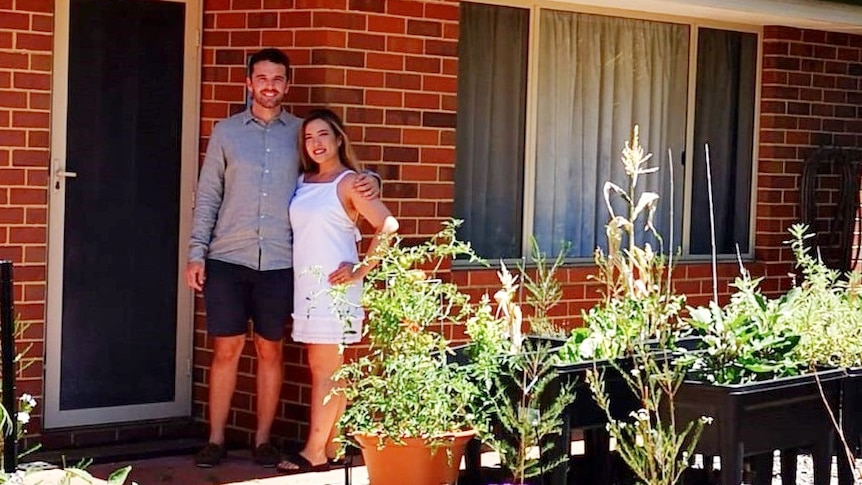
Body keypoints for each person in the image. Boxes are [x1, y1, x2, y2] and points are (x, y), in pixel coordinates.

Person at [186, 48, 379, 468]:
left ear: (286, 85)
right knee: (226, 349)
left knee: (271, 350)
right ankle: (216, 439)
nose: (269, 85)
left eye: (277, 79)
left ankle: (262, 441)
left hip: (280, 261)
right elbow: (207, 196)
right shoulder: (226, 133)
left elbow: (335, 171)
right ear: (249, 83)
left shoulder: (301, 134)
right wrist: (196, 252)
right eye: (262, 78)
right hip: (227, 256)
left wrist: (370, 181)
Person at [276, 108, 398, 474]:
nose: (316, 143)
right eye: (309, 137)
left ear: (339, 139)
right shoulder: (303, 181)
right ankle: (330, 446)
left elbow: (388, 225)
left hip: (335, 290)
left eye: (323, 135)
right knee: (329, 371)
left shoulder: (348, 183)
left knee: (326, 371)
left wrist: (361, 269)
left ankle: (313, 451)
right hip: (309, 290)